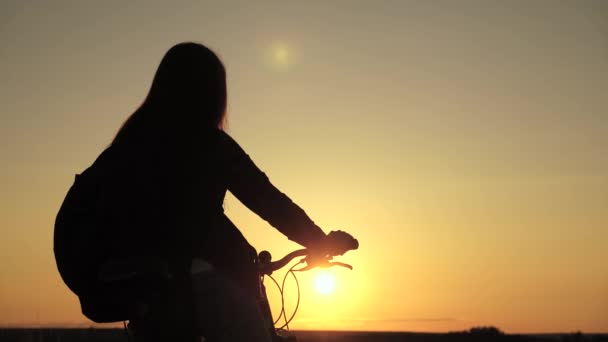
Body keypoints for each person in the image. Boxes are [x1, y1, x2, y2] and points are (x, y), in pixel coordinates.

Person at [55, 42, 357, 342]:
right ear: (210, 92)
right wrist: (319, 240)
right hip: (200, 278)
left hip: (148, 289)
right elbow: (267, 200)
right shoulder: (207, 143)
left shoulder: (130, 143)